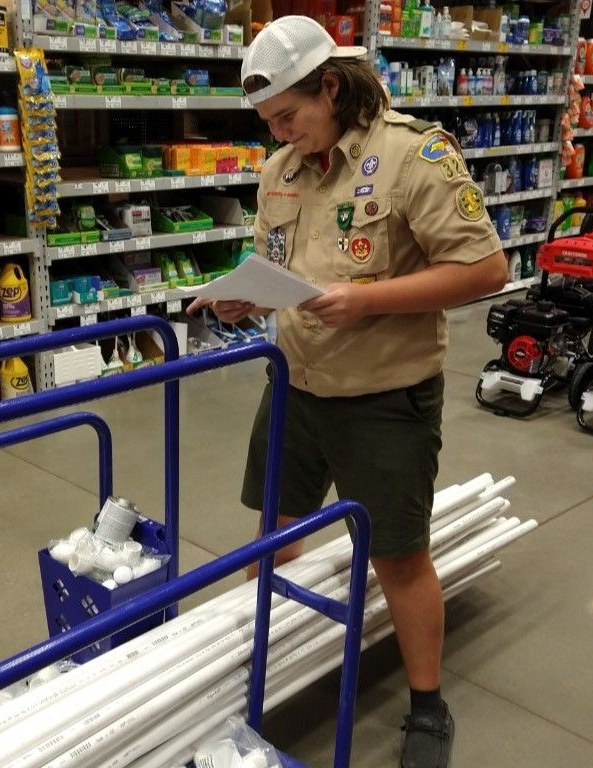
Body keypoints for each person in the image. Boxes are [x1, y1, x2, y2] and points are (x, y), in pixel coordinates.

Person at [188, 15, 508, 768]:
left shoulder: (414, 156)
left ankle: (427, 705)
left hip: (383, 398)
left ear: (330, 86)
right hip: (295, 385)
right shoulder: (279, 173)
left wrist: (365, 299)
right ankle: (260, 655)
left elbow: (485, 270)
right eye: (270, 122)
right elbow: (278, 271)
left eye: (289, 115)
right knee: (274, 531)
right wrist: (245, 298)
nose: (282, 133)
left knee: (397, 557)